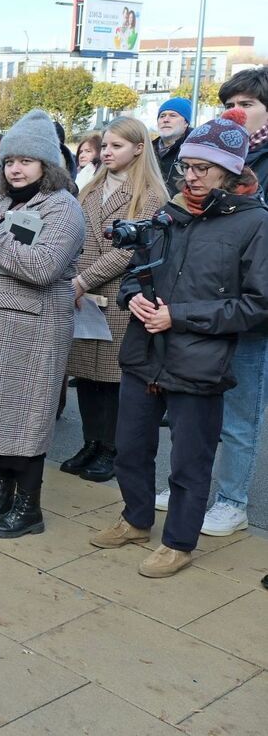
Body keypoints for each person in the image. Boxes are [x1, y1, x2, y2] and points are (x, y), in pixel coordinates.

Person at [93, 108, 268, 576]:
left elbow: (257, 305)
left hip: (199, 358)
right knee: (129, 446)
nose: (189, 177)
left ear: (230, 171)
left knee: (190, 460)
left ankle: (179, 543)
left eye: (201, 168)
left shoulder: (255, 224)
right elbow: (135, 272)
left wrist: (180, 316)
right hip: (143, 351)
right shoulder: (168, 214)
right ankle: (135, 518)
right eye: (186, 167)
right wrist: (133, 299)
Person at [0, 109, 85, 539]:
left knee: (24, 421)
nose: (16, 168)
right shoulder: (2, 201)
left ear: (47, 164)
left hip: (32, 333)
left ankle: (29, 507)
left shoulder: (63, 209)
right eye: (9, 161)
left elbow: (41, 267)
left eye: (26, 160)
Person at [180, 69, 268, 536]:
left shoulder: (253, 171)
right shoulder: (208, 153)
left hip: (249, 314)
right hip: (201, 307)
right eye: (231, 101)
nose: (238, 109)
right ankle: (190, 485)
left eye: (249, 102)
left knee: (238, 416)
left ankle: (232, 499)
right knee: (195, 410)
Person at [60, 117, 169, 483]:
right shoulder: (90, 187)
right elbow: (72, 235)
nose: (106, 152)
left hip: (119, 296)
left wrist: (82, 279)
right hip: (82, 294)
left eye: (116, 146)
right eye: (104, 145)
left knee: (112, 379)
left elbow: (128, 251)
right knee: (87, 377)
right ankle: (91, 442)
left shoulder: (150, 195)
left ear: (139, 148)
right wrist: (73, 278)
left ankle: (112, 448)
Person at [152, 98, 193, 191]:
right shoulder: (148, 149)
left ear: (186, 122)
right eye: (162, 116)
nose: (165, 120)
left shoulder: (194, 150)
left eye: (173, 115)